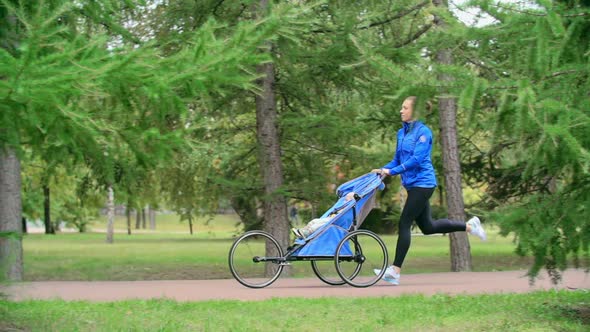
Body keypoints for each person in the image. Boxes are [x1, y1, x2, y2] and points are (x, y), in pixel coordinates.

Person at [371, 96, 486, 286]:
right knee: (428, 227)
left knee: (404, 223)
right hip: (413, 185)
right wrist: (382, 170)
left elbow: (416, 159)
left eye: (405, 108)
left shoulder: (424, 133)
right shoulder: (401, 133)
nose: (401, 111)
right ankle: (470, 227)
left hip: (423, 184)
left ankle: (395, 271)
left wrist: (392, 172)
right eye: (402, 107)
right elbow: (397, 160)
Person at [291, 192, 356, 238]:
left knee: (318, 225)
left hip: (335, 221)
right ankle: (303, 231)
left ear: (351, 200)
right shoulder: (345, 205)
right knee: (315, 221)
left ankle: (307, 232)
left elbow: (342, 215)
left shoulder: (349, 207)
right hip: (332, 218)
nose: (345, 200)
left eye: (347, 198)